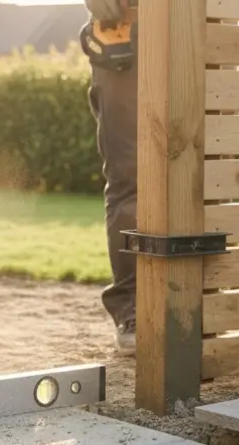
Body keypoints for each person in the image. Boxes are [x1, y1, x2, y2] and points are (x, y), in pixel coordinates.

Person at [82, 0, 139, 355]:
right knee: (129, 177)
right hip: (126, 38)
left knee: (212, 174)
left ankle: (210, 299)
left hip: (204, 34)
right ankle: (132, 309)